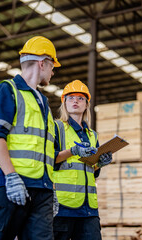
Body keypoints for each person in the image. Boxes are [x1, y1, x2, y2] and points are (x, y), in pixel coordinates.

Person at [0, 36, 60, 240]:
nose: (53, 72)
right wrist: (11, 177)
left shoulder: (43, 102)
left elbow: (46, 152)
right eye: (52, 66)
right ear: (42, 63)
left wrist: (50, 187)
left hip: (41, 189)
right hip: (11, 183)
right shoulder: (7, 90)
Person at [53, 80, 113, 240]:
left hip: (88, 208)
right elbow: (50, 160)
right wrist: (72, 151)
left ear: (86, 104)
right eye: (71, 97)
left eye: (80, 98)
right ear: (64, 102)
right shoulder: (56, 128)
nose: (75, 101)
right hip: (62, 206)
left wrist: (100, 163)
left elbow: (91, 171)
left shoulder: (92, 135)